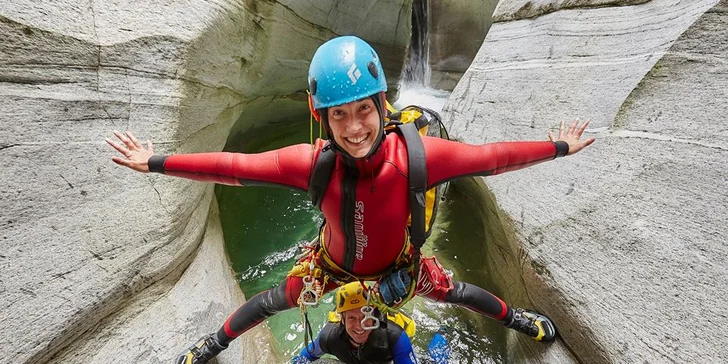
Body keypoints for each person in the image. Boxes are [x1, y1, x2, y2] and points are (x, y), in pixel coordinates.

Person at [106, 35, 594, 364]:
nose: (355, 127)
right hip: (334, 269)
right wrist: (154, 162)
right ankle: (212, 345)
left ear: (383, 104)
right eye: (339, 115)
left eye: (365, 109)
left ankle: (521, 321)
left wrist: (557, 148)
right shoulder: (312, 163)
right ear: (322, 117)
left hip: (394, 266)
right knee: (266, 303)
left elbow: (491, 158)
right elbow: (234, 169)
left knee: (459, 293)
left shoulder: (418, 157)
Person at [291, 282, 420, 364]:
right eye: (352, 318)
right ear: (342, 319)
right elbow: (302, 359)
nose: (359, 325)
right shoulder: (329, 337)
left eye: (365, 316)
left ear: (373, 314)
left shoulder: (394, 337)